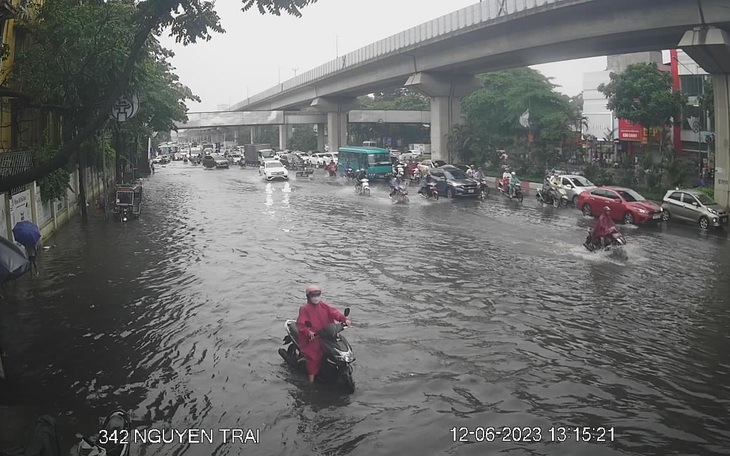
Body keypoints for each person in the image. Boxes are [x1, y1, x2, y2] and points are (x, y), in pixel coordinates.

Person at [296, 285, 351, 384]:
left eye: (318, 294)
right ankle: (311, 381)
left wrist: (344, 319)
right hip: (313, 337)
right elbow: (301, 324)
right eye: (313, 295)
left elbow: (335, 313)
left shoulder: (324, 305)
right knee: (313, 358)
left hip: (327, 333)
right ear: (308, 296)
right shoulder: (304, 309)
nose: (316, 297)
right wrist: (308, 331)